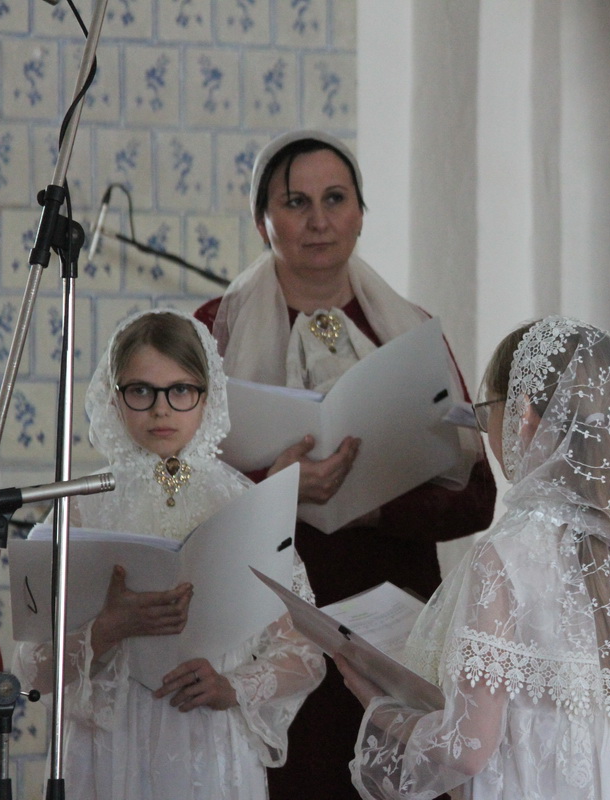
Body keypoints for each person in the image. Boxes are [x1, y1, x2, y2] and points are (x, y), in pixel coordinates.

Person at [195, 129, 496, 798]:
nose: (318, 220)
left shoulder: (410, 330)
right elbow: (181, 495)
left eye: (335, 199)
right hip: (271, 623)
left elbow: (479, 497)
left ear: (361, 212)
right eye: (295, 202)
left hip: (392, 618)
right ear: (262, 221)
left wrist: (374, 507)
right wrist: (278, 488)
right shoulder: (212, 332)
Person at [337, 316, 610, 799]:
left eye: (488, 409)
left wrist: (380, 707)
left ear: (523, 414)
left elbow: (468, 748)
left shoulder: (507, 553)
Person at [15, 309, 326, 800]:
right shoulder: (79, 508)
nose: (161, 410)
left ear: (208, 394)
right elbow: (31, 668)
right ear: (114, 396)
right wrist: (107, 629)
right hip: (110, 744)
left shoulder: (243, 501)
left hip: (211, 741)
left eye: (181, 390)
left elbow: (306, 649)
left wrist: (235, 686)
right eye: (141, 391)